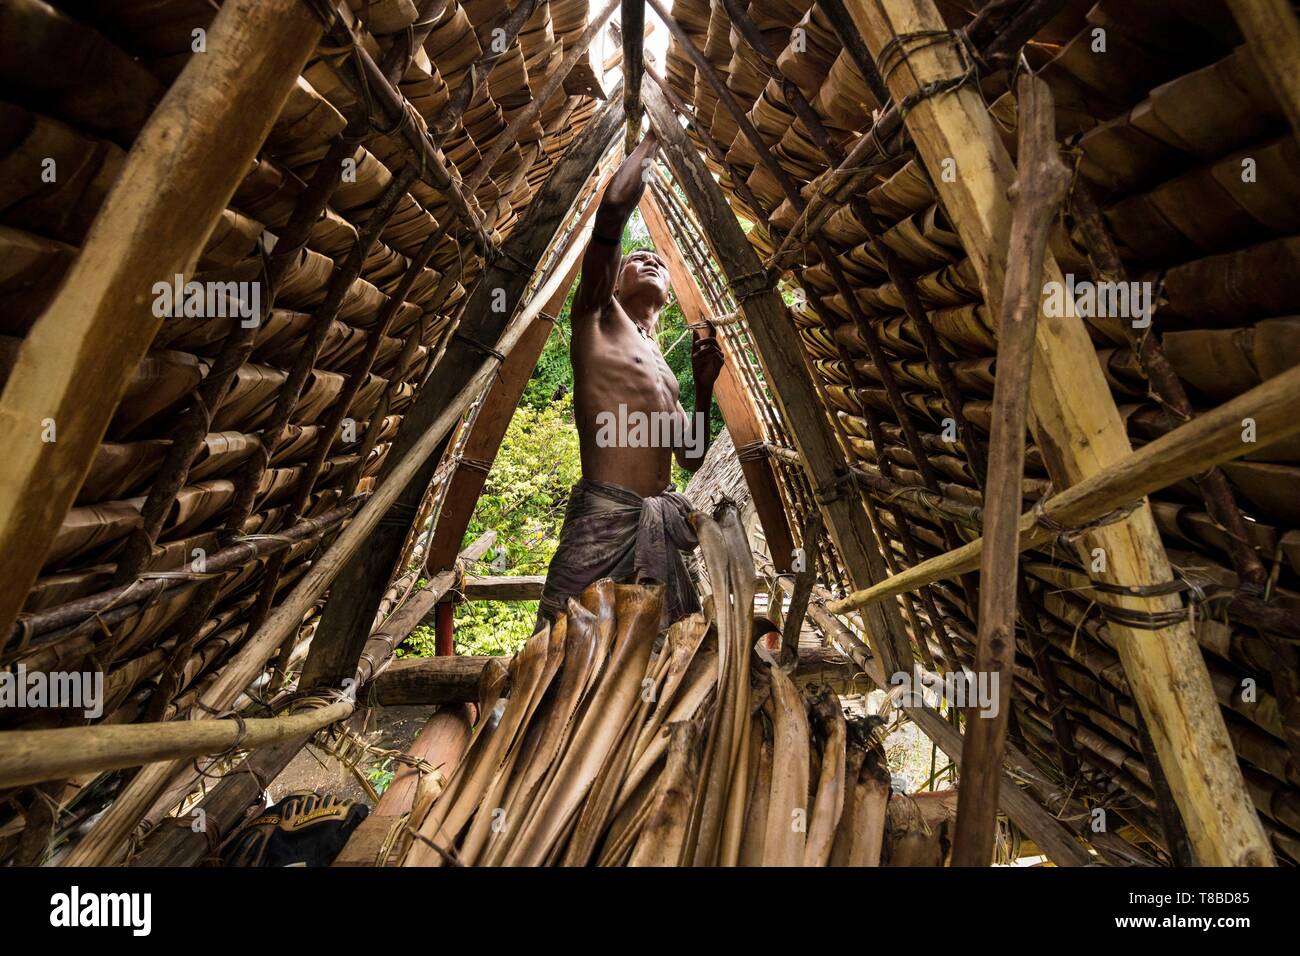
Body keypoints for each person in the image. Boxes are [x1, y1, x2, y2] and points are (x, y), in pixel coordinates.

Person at [536, 130, 725, 630]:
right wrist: (652, 143)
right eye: (638, 258)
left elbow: (690, 454)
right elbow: (611, 218)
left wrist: (703, 388)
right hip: (603, 521)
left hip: (654, 528)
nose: (652, 261)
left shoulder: (663, 366)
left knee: (657, 666)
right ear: (614, 279)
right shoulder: (597, 317)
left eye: (659, 262)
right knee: (562, 653)